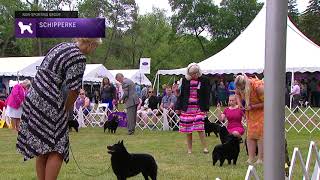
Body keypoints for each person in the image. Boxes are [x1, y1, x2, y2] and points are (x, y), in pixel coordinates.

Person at [16, 38, 101, 180]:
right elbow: (74, 90)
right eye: (95, 47)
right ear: (91, 44)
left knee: (43, 146)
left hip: (34, 96)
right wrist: (65, 110)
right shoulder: (78, 57)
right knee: (58, 148)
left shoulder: (62, 46)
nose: (93, 50)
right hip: (50, 100)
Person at [175, 63, 210, 154]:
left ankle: (205, 147)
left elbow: (207, 95)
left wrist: (206, 108)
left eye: (195, 73)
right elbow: (181, 95)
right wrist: (178, 107)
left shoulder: (204, 80)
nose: (194, 75)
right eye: (192, 74)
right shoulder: (184, 80)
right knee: (188, 129)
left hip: (199, 107)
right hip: (187, 108)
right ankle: (189, 149)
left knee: (200, 127)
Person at [234, 74, 264, 164]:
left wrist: (253, 106)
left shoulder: (258, 87)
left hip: (262, 112)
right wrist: (239, 103)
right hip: (250, 113)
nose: (241, 90)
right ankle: (251, 158)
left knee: (260, 135)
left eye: (242, 88)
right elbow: (237, 94)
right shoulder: (239, 86)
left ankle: (261, 159)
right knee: (250, 135)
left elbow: (268, 102)